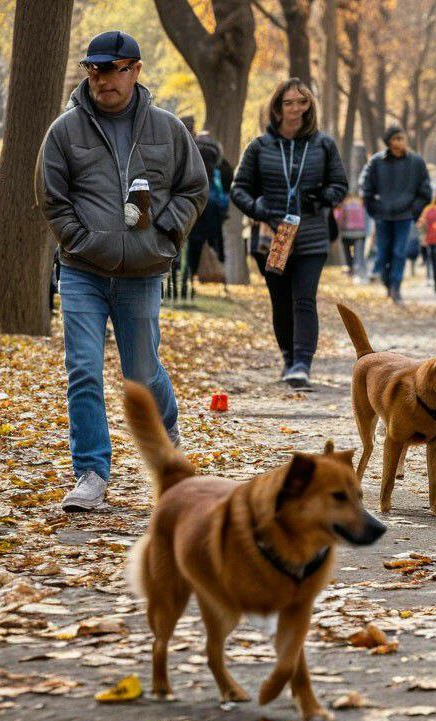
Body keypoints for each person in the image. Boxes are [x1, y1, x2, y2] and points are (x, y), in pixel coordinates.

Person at [35, 29, 208, 512]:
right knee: (83, 369)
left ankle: (167, 428)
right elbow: (51, 197)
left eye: (111, 69)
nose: (101, 78)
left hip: (143, 272)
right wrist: (81, 240)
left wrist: (164, 233)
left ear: (134, 70)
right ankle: (91, 473)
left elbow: (194, 188)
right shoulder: (64, 131)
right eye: (93, 69)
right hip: (82, 270)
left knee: (141, 373)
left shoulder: (167, 129)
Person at [231, 78, 347, 388]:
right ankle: (288, 358)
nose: (296, 108)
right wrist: (259, 209)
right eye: (289, 102)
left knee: (304, 299)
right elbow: (239, 189)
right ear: (277, 108)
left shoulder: (323, 145)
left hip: (311, 234)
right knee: (281, 301)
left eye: (302, 102)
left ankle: (302, 364)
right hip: (272, 236)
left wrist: (321, 197)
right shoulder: (259, 147)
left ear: (310, 106)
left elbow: (340, 185)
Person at [359, 125, 431, 305]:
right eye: (395, 139)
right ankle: (387, 283)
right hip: (383, 216)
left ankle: (396, 287)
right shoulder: (376, 162)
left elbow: (425, 191)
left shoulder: (416, 162)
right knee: (383, 253)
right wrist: (375, 210)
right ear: (389, 142)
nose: (399, 142)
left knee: (399, 252)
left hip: (405, 217)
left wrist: (413, 211)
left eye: (402, 138)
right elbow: (365, 186)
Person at [182, 132, 233, 297]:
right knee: (217, 243)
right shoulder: (220, 161)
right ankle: (223, 282)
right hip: (213, 207)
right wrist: (223, 210)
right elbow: (226, 186)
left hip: (195, 204)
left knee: (193, 244)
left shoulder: (192, 153)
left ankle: (189, 280)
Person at [336, 193, 369, 279]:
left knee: (347, 253)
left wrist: (340, 228)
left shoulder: (344, 204)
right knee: (358, 254)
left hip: (346, 233)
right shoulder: (362, 204)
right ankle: (358, 272)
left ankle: (350, 269)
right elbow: (367, 219)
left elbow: (339, 218)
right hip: (360, 233)